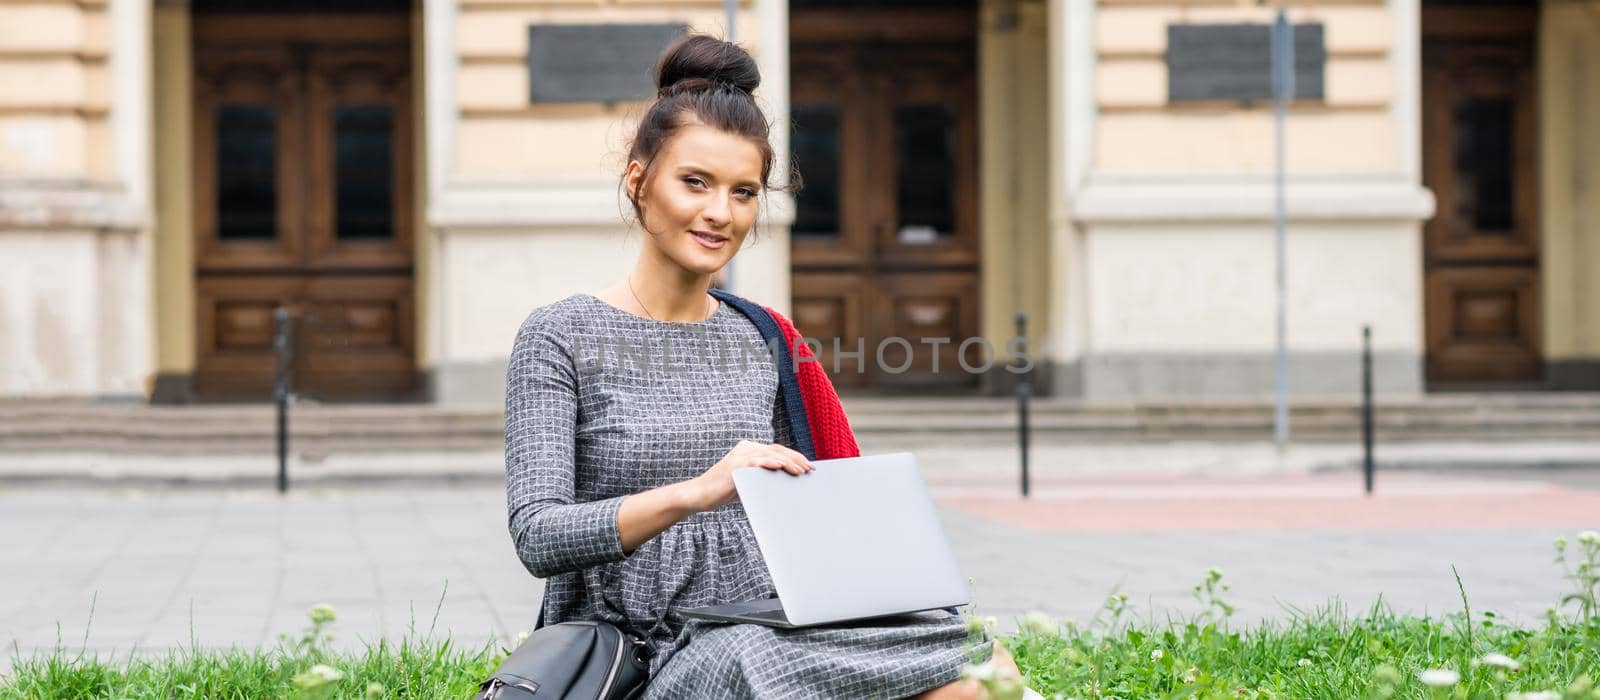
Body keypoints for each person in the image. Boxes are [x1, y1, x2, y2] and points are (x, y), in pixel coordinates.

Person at [503, 33, 1026, 699]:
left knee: (976, 664)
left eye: (743, 192)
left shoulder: (763, 338)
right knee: (755, 659)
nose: (720, 213)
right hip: (639, 655)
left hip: (771, 623)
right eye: (695, 182)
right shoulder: (561, 335)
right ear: (639, 180)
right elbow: (538, 535)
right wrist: (699, 490)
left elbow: (828, 507)